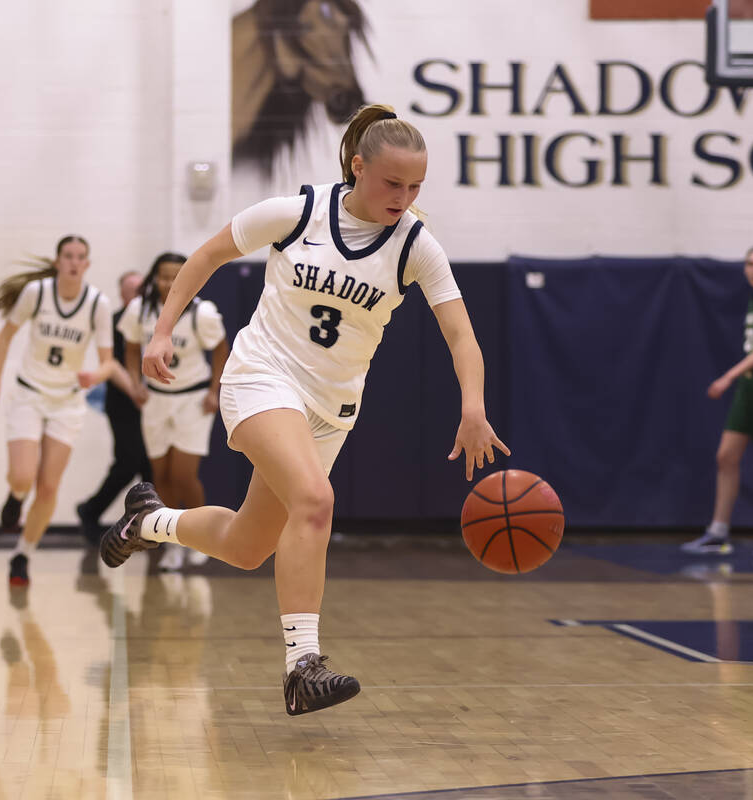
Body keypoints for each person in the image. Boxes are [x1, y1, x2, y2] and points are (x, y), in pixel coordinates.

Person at [99, 104, 509, 715]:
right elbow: (207, 255)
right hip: (262, 378)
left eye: (416, 186)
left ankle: (147, 521)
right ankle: (303, 665)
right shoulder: (298, 213)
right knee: (316, 501)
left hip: (331, 407)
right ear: (357, 165)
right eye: (392, 183)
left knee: (246, 546)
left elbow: (461, 336)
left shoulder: (416, 246)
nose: (404, 196)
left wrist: (472, 407)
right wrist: (161, 331)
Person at [0, 235, 122, 586]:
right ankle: (15, 497)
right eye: (68, 256)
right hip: (29, 394)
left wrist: (95, 375)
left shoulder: (97, 304)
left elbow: (108, 363)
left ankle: (23, 554)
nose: (74, 262)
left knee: (48, 487)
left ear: (87, 265)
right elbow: (5, 336)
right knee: (23, 477)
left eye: (80, 257)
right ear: (58, 261)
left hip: (67, 402)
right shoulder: (37, 293)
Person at [682, 245, 753, 559]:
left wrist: (728, 376)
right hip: (750, 389)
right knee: (726, 456)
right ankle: (718, 532)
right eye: (750, 263)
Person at [118, 252, 228, 572]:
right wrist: (135, 383)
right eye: (163, 276)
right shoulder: (139, 310)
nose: (168, 282)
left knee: (183, 476)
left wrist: (213, 391)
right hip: (155, 399)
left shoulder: (201, 312)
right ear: (154, 277)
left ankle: (200, 537)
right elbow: (130, 349)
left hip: (192, 399)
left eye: (175, 276)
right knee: (161, 477)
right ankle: (171, 545)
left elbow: (221, 350)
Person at [76, 271, 153, 544]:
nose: (138, 293)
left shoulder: (155, 320)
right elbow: (113, 365)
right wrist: (134, 392)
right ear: (122, 294)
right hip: (122, 402)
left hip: (153, 404)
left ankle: (151, 527)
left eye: (142, 288)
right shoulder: (116, 322)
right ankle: (90, 509)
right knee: (129, 461)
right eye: (132, 289)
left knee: (150, 465)